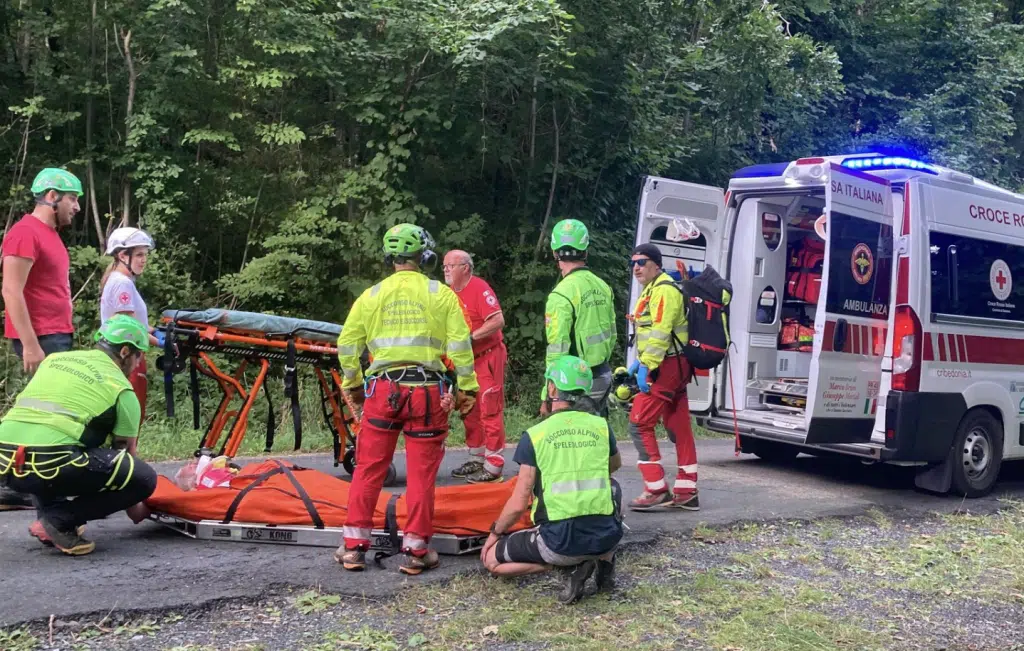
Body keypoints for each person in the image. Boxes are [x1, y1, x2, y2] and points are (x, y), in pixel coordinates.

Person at [335, 224, 479, 575]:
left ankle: (353, 548)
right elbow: (460, 345)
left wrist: (353, 384)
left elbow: (347, 345)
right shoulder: (441, 294)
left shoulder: (371, 296)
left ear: (390, 257)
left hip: (383, 392)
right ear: (424, 257)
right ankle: (416, 551)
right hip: (427, 394)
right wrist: (467, 388)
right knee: (421, 475)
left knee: (369, 470)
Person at [0, 315, 158, 555]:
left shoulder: (55, 360)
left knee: (61, 440)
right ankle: (58, 520)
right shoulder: (122, 389)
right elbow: (126, 459)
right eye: (139, 356)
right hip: (48, 464)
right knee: (144, 477)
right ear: (125, 351)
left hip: (5, 462)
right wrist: (136, 507)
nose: (139, 364)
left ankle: (53, 519)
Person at [481, 355, 623, 605]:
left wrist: (494, 534)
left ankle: (565, 567)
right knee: (613, 487)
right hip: (606, 538)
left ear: (552, 387)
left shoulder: (535, 435)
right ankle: (602, 561)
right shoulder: (601, 426)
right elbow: (613, 466)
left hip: (561, 541)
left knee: (492, 561)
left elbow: (519, 501)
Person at [1, 167, 83, 511]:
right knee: (44, 415)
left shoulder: (51, 235)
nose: (76, 207)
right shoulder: (25, 233)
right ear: (51, 197)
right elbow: (11, 290)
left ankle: (23, 484)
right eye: (72, 198)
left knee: (48, 414)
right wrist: (31, 344)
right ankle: (28, 488)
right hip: (42, 338)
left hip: (56, 334)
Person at [625, 243, 699, 511]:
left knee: (639, 423)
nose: (636, 267)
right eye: (633, 263)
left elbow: (660, 333)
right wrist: (639, 363)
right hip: (674, 366)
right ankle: (687, 490)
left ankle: (655, 488)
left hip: (666, 366)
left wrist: (646, 366)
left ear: (656, 264)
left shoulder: (664, 291)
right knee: (680, 427)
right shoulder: (655, 289)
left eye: (642, 262)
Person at [443, 250, 507, 484]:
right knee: (468, 408)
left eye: (451, 265)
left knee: (489, 406)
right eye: (444, 266)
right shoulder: (448, 294)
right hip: (465, 361)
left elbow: (498, 320)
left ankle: (494, 464)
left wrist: (471, 338)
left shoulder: (479, 288)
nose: (446, 269)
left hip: (487, 355)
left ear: (466, 268)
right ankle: (477, 457)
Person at [542, 219, 617, 418]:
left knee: (574, 441)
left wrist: (546, 394)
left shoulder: (561, 294)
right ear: (585, 251)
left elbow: (557, 349)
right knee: (598, 436)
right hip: (603, 374)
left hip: (575, 383)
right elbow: (612, 335)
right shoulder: (603, 286)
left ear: (554, 253)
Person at [99, 227, 164, 425]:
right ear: (122, 255)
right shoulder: (122, 284)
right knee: (130, 415)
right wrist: (162, 343)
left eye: (145, 255)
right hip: (126, 357)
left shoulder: (123, 280)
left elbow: (137, 323)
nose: (144, 260)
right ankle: (126, 454)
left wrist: (155, 330)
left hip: (126, 354)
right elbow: (128, 328)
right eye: (139, 255)